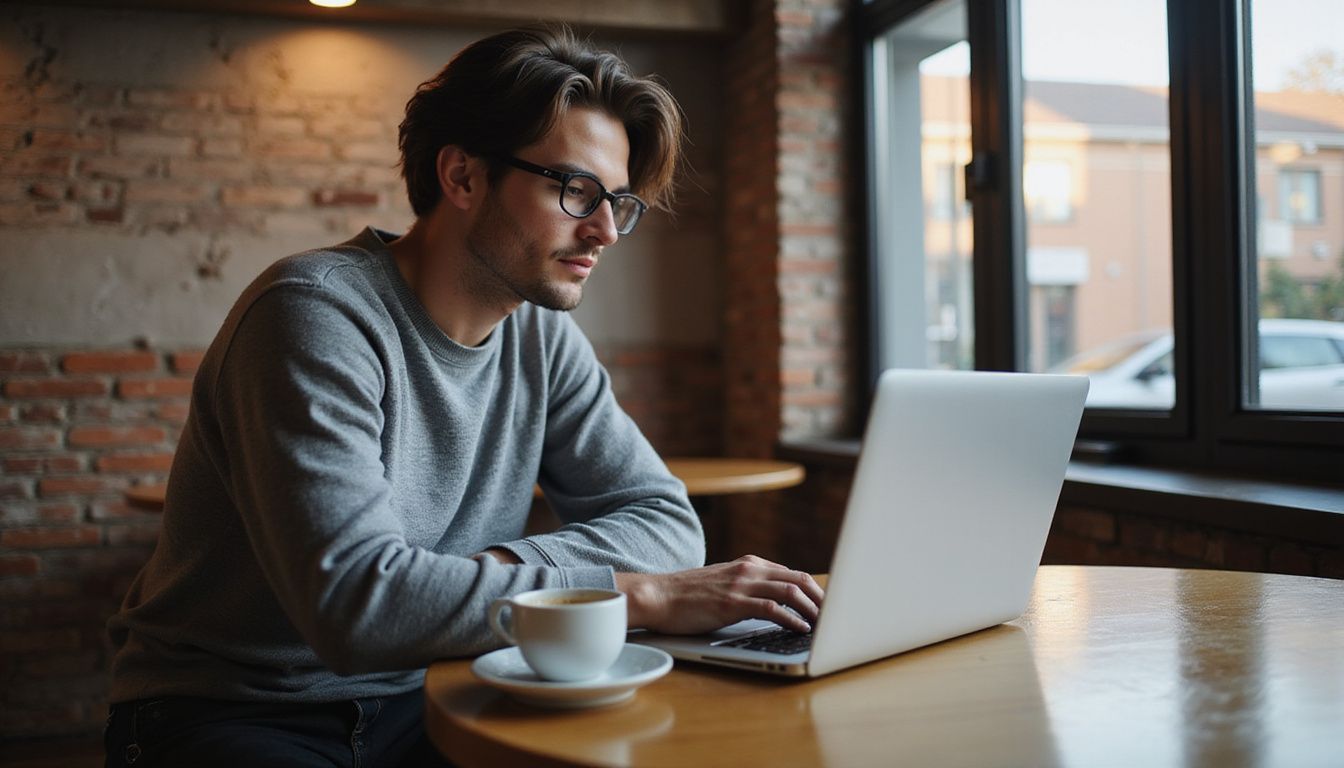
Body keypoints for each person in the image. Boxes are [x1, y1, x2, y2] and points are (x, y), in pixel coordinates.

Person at [103, 26, 823, 768]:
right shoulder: (313, 314)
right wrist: (641, 595)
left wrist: (479, 574)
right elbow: (359, 607)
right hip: (235, 711)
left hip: (440, 688)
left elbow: (669, 525)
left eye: (618, 201)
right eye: (576, 190)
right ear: (463, 177)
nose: (606, 229)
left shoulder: (542, 339)